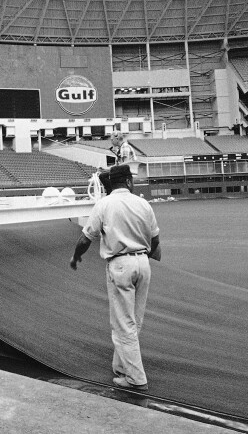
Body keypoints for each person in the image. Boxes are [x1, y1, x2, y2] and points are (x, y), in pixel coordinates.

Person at [70, 164, 161, 391]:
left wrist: (75, 258)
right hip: (143, 263)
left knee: (123, 324)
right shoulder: (143, 204)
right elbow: (156, 241)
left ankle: (136, 379)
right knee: (134, 321)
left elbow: (85, 239)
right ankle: (121, 366)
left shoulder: (104, 204)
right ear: (129, 182)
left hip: (120, 264)